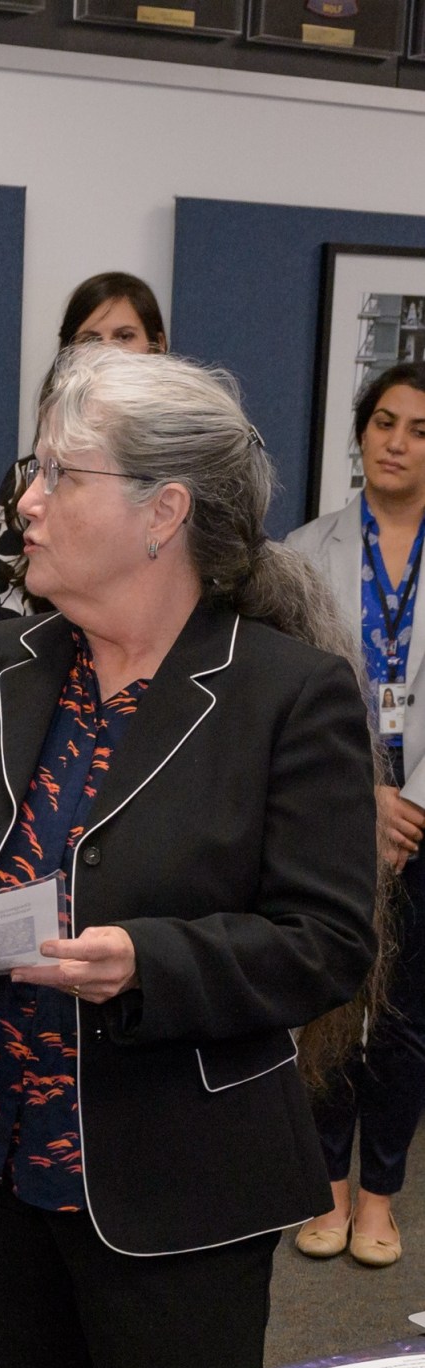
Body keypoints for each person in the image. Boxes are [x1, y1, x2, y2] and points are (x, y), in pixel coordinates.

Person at [0, 347, 378, 1368]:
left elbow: (327, 942)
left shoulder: (288, 695)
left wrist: (150, 962)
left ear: (162, 512)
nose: (27, 502)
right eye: (31, 472)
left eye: (59, 475)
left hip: (174, 1177)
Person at [287, 362, 425, 1267]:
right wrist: (362, 793)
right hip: (337, 797)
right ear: (360, 430)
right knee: (331, 998)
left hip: (422, 810)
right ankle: (324, 1183)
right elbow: (293, 689)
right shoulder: (303, 550)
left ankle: (380, 1194)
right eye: (383, 421)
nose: (397, 440)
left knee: (409, 1011)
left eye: (418, 428)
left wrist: (410, 802)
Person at [0, 273, 167, 621]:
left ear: (157, 346)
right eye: (90, 339)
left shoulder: (193, 469)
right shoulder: (24, 482)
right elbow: (9, 614)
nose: (106, 351)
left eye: (124, 336)